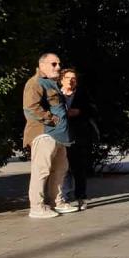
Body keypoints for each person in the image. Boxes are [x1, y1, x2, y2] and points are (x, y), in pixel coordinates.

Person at [22, 53, 78, 218]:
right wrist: (52, 119)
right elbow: (31, 108)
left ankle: (57, 202)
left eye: (58, 64)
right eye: (54, 64)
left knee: (60, 170)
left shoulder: (51, 84)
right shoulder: (35, 83)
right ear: (42, 65)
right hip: (44, 133)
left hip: (59, 135)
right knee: (42, 170)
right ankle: (37, 207)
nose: (58, 67)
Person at [59, 68, 98, 210]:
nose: (70, 80)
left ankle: (81, 197)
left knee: (78, 168)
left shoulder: (83, 94)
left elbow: (93, 110)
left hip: (78, 136)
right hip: (60, 136)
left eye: (73, 78)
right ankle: (63, 197)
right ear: (61, 79)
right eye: (67, 77)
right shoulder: (56, 94)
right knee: (62, 168)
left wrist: (80, 111)